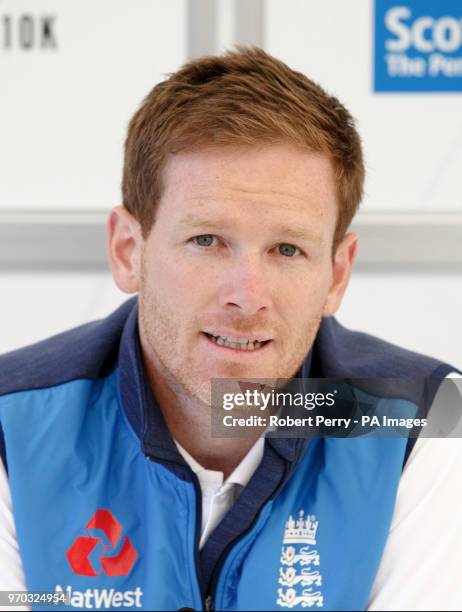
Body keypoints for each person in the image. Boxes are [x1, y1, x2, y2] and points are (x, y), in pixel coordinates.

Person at [0, 47, 460, 612]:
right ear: (128, 252)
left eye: (287, 249)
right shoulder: (11, 425)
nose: (247, 296)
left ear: (337, 273)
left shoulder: (426, 425)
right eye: (207, 240)